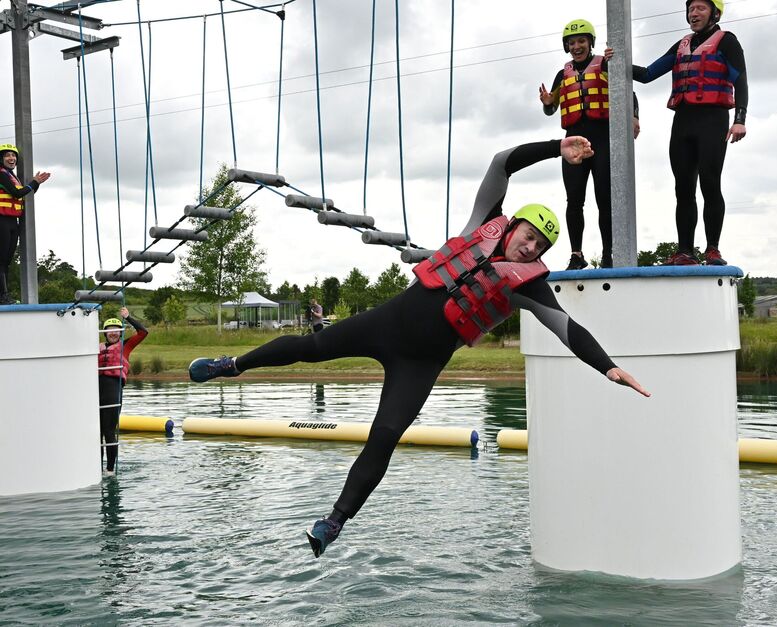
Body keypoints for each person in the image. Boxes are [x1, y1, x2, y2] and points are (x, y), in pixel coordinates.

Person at [188, 136, 651, 559]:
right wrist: (557, 148)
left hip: (422, 363)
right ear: (513, 228)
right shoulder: (483, 223)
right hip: (387, 324)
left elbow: (568, 330)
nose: (531, 248)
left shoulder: (530, 287)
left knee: (384, 436)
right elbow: (500, 163)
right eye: (529, 235)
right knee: (311, 346)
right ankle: (233, 365)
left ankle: (333, 522)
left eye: (541, 245)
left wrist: (609, 368)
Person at [631, 0, 747, 266]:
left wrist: (740, 119)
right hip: (683, 121)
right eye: (691, 9)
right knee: (683, 189)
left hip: (713, 119)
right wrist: (613, 64)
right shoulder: (682, 44)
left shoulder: (727, 41)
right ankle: (685, 251)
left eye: (700, 9)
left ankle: (713, 249)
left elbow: (741, 79)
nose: (694, 14)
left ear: (714, 14)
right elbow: (648, 74)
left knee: (709, 183)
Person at [539, 19, 640, 271]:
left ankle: (608, 255)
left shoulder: (605, 63)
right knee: (574, 201)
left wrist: (634, 116)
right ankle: (576, 254)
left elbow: (629, 91)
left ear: (590, 42)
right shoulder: (562, 75)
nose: (577, 46)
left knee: (605, 199)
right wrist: (547, 101)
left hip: (603, 139)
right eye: (572, 43)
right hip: (574, 142)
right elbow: (551, 109)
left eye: (581, 41)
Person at [98, 307, 148, 476]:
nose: (113, 333)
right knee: (95, 432)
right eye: (110, 330)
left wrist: (128, 317)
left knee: (109, 431)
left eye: (116, 331)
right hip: (95, 390)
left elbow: (143, 333)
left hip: (113, 388)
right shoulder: (94, 347)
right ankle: (96, 468)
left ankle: (110, 470)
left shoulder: (125, 346)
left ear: (120, 333)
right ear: (104, 333)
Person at [0, 143, 51, 304]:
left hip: (12, 222)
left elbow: (23, 194)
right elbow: (16, 193)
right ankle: (3, 295)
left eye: (13, 155)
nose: (11, 158)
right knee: (1, 260)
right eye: (7, 155)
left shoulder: (12, 176)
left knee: (6, 261)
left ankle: (4, 295)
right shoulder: (1, 174)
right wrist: (33, 183)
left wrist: (35, 184)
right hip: (1, 220)